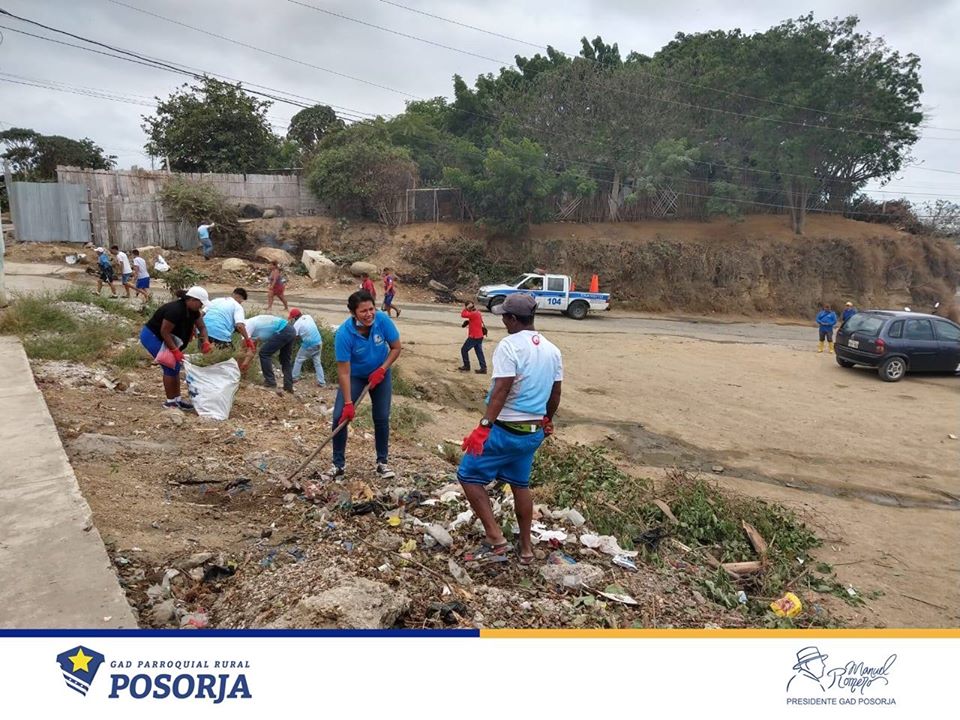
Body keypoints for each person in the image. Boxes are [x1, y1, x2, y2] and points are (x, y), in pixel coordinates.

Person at [457, 293, 562, 566]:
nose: (503, 320)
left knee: (468, 474)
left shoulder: (509, 346)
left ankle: (496, 538)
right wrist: (547, 420)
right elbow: (555, 394)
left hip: (506, 430)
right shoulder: (552, 350)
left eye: (505, 316)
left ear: (513, 319)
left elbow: (502, 389)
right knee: (520, 484)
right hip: (531, 433)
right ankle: (526, 550)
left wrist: (484, 426)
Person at [325, 290, 401, 481]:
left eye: (371, 309)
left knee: (381, 417)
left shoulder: (382, 320)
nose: (369, 314)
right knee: (339, 417)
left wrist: (382, 369)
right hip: (355, 377)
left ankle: (382, 462)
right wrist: (348, 403)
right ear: (353, 313)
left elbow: (396, 347)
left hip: (380, 374)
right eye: (363, 311)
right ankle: (338, 464)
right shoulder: (344, 334)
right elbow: (344, 372)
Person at [139, 286, 212, 410]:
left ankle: (177, 400)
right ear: (192, 300)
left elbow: (202, 327)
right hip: (152, 336)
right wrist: (174, 351)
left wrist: (205, 341)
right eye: (200, 303)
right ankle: (170, 402)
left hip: (168, 338)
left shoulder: (193, 311)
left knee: (175, 367)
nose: (201, 306)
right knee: (169, 366)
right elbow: (164, 331)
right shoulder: (175, 310)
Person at [242, 314, 296, 393]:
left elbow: (244, 349)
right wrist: (246, 363)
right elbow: (252, 349)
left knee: (264, 353)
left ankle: (270, 382)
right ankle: (288, 386)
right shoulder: (252, 325)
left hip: (283, 330)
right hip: (290, 330)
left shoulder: (246, 326)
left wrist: (243, 364)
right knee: (285, 360)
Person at [288, 308, 325, 386]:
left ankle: (294, 378)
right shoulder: (308, 316)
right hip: (319, 342)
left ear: (295, 317)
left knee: (299, 359)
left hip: (309, 344)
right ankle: (322, 382)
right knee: (317, 363)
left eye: (293, 318)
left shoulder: (297, 324)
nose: (293, 320)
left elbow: (294, 337)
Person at [459, 301, 487, 374]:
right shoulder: (477, 312)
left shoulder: (473, 314)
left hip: (474, 337)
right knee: (479, 352)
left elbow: (463, 314)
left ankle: (467, 366)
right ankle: (483, 368)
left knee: (464, 350)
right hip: (479, 336)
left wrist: (466, 308)